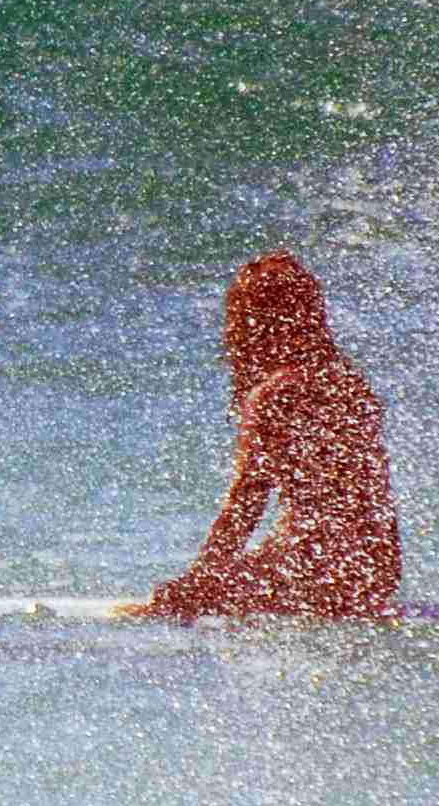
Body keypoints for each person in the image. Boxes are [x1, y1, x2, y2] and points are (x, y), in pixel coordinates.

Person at [126, 250, 402, 619]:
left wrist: (200, 581)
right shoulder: (348, 383)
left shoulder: (275, 394)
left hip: (318, 574)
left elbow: (246, 502)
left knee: (167, 602)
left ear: (249, 324)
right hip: (376, 573)